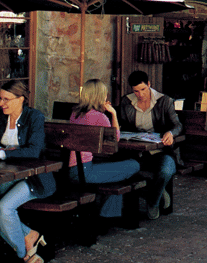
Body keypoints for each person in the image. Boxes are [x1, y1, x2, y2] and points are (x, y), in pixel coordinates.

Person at [0, 80, 56, 263]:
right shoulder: (2, 118)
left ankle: (22, 254)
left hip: (34, 177)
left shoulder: (34, 117)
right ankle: (29, 235)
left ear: (21, 99)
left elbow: (34, 151)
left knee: (4, 207)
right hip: (7, 174)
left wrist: (0, 153)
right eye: (0, 99)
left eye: (6, 99)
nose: (1, 103)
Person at [69, 79, 140, 220]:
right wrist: (113, 114)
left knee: (115, 172)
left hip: (70, 170)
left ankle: (108, 213)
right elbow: (115, 139)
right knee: (133, 165)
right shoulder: (99, 117)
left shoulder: (75, 114)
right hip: (85, 172)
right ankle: (107, 216)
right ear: (101, 96)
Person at [119, 70, 182, 220]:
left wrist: (170, 133)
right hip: (136, 152)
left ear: (149, 84)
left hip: (161, 152)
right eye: (136, 91)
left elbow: (178, 126)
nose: (140, 94)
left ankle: (153, 201)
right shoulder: (126, 102)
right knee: (123, 169)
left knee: (166, 171)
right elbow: (122, 127)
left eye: (143, 89)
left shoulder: (164, 101)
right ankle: (158, 194)